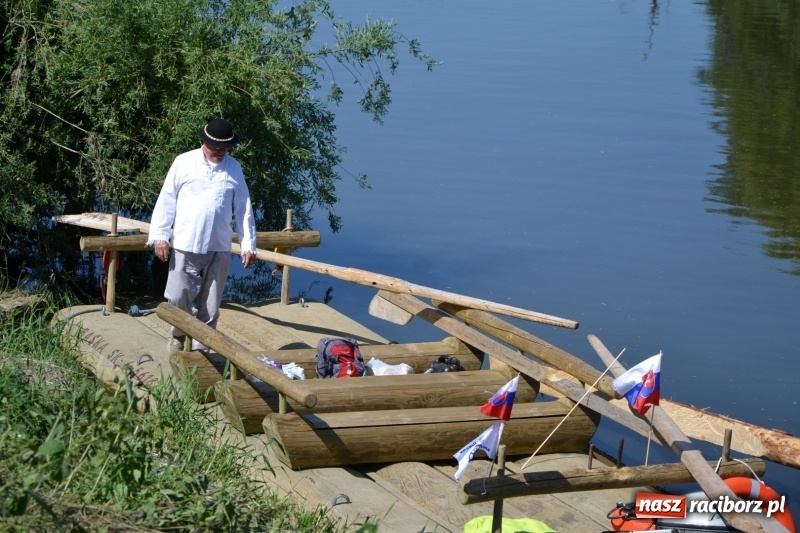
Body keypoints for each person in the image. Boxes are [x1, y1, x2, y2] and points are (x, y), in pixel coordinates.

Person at [147, 118, 257, 353]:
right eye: (215, 146)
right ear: (204, 142)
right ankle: (178, 335)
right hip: (185, 242)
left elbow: (243, 208)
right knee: (177, 297)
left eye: (225, 147)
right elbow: (167, 200)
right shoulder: (183, 162)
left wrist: (248, 245)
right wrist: (160, 236)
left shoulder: (234, 168)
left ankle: (201, 349)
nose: (220, 151)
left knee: (211, 303)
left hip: (219, 244)